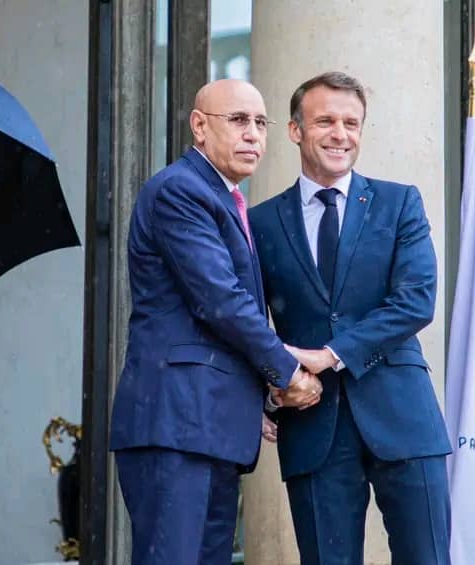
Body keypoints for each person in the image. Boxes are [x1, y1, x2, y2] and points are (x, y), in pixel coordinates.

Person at [109, 79, 322, 565]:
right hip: (176, 424)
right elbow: (220, 301)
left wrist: (262, 392)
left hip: (210, 429)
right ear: (199, 127)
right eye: (239, 120)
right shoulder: (180, 190)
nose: (253, 135)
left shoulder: (222, 197)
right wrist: (286, 372)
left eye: (261, 123)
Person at [249, 72, 452, 565]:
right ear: (295, 130)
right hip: (312, 424)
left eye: (351, 123)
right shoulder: (259, 222)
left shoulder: (399, 202)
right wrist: (266, 392)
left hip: (403, 415)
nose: (341, 134)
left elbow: (415, 301)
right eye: (325, 121)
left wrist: (331, 355)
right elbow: (248, 319)